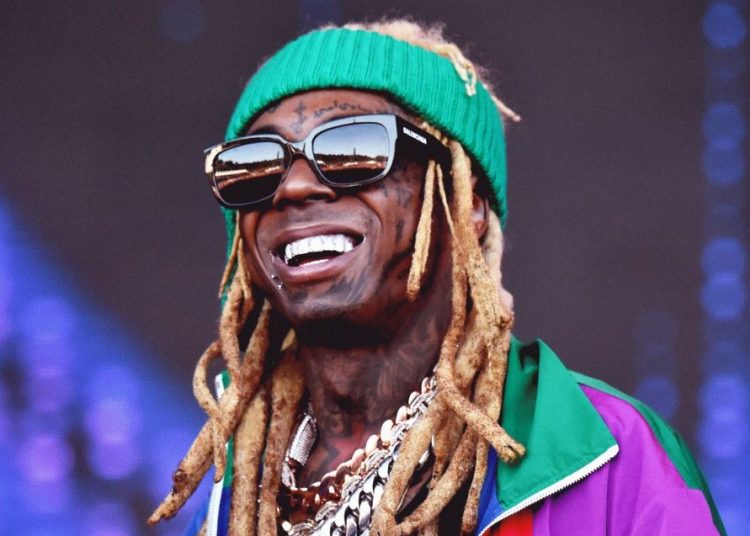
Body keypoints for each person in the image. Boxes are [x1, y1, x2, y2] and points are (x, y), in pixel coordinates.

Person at [148, 20, 725, 536]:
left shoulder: (611, 459)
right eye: (255, 164)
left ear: (465, 204)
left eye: (353, 148)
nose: (293, 186)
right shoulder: (231, 494)